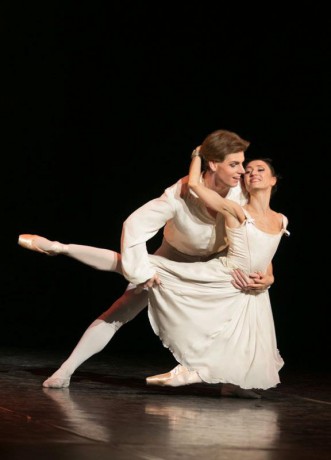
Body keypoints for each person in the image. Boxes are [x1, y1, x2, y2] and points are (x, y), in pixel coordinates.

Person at [18, 129, 273, 397]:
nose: (243, 171)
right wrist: (141, 271)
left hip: (212, 268)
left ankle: (231, 383)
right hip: (172, 260)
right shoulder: (179, 193)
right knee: (120, 312)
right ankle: (65, 369)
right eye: (234, 164)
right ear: (212, 164)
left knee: (240, 316)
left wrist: (268, 275)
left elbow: (259, 239)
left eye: (242, 164)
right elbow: (134, 225)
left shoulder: (242, 194)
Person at [121, 154, 290, 391]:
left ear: (273, 180)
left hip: (254, 290)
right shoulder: (236, 209)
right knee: (208, 327)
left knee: (245, 343)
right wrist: (197, 156)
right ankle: (67, 249)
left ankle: (232, 386)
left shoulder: (281, 220)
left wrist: (270, 278)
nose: (252, 173)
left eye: (260, 169)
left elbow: (265, 253)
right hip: (227, 278)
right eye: (249, 170)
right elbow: (195, 186)